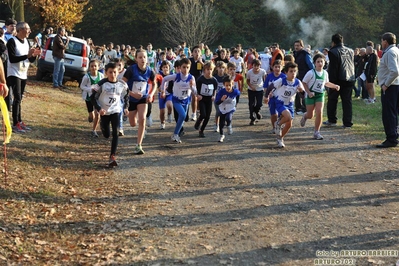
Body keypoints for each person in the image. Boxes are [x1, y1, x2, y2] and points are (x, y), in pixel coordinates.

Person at [91, 62, 129, 167]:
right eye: (110, 72)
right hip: (104, 112)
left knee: (116, 132)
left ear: (118, 72)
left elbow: (126, 96)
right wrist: (99, 109)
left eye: (115, 72)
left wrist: (125, 107)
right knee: (107, 134)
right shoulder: (101, 84)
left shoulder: (122, 84)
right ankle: (102, 127)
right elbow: (92, 97)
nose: (113, 74)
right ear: (106, 73)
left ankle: (112, 156)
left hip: (116, 110)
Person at [6, 22, 41, 133]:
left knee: (20, 98)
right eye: (28, 29)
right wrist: (27, 55)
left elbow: (29, 59)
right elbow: (12, 59)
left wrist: (34, 56)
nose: (30, 31)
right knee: (16, 98)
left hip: (23, 73)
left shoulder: (26, 42)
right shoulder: (12, 41)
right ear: (21, 30)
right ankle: (15, 123)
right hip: (13, 73)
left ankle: (20, 121)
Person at [123, 48, 157, 154]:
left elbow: (155, 84)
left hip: (143, 99)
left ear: (147, 59)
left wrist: (151, 94)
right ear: (136, 59)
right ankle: (134, 120)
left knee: (142, 119)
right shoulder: (131, 70)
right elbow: (122, 85)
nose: (143, 59)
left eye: (144, 57)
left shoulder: (150, 71)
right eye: (140, 57)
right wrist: (132, 94)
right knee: (133, 123)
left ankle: (139, 145)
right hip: (131, 99)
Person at [300, 54, 340, 140]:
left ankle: (317, 132)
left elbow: (326, 83)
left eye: (321, 61)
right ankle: (305, 116)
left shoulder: (325, 73)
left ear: (324, 63)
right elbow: (303, 83)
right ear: (314, 63)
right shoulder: (310, 73)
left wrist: (335, 86)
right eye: (318, 62)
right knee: (310, 115)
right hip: (310, 95)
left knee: (319, 112)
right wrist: (309, 92)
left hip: (320, 95)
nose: (320, 63)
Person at [267, 62, 304, 148]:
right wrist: (266, 96)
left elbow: (303, 96)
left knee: (289, 124)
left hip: (290, 104)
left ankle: (280, 138)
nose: (293, 73)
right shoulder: (282, 80)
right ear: (286, 72)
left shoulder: (298, 82)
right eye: (291, 71)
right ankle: (278, 124)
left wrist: (302, 91)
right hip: (280, 102)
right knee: (288, 117)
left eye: (295, 71)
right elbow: (271, 86)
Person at [160, 58, 196, 143]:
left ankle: (177, 133)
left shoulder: (191, 78)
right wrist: (163, 90)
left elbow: (195, 92)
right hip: (176, 100)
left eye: (187, 67)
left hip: (186, 100)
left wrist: (191, 87)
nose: (185, 69)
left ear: (190, 67)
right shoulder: (176, 76)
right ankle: (175, 134)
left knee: (182, 119)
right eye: (184, 67)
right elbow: (164, 79)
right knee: (183, 115)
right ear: (180, 67)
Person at [324, 33, 355, 128]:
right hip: (350, 78)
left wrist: (330, 83)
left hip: (337, 79)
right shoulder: (351, 51)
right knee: (347, 101)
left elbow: (333, 68)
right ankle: (347, 122)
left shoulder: (333, 52)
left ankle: (332, 119)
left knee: (332, 100)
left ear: (333, 42)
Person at [376, 32, 399, 148]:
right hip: (396, 85)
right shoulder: (396, 50)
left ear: (385, 41)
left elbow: (394, 71)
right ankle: (394, 134)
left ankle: (391, 139)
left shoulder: (390, 52)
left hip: (391, 87)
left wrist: (386, 84)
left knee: (388, 114)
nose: (381, 43)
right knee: (394, 112)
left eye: (382, 41)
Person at [80, 59, 104, 137]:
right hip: (89, 98)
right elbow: (82, 86)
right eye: (92, 66)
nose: (93, 68)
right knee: (92, 115)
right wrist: (90, 89)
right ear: (89, 67)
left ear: (98, 67)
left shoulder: (101, 76)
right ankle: (90, 116)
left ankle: (94, 130)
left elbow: (104, 85)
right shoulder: (86, 77)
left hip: (98, 98)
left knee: (98, 114)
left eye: (95, 66)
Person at [195, 61, 218, 137]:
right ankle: (198, 122)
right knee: (203, 114)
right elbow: (196, 90)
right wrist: (198, 95)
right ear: (204, 70)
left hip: (209, 99)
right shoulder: (200, 79)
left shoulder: (214, 80)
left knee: (207, 116)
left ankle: (201, 130)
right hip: (202, 99)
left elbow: (215, 90)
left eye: (211, 69)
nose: (209, 71)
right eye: (207, 69)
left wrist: (214, 96)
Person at [215, 75, 240, 142]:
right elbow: (217, 102)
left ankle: (229, 125)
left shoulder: (235, 91)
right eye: (226, 85)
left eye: (229, 85)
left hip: (230, 107)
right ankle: (221, 135)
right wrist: (221, 100)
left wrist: (236, 103)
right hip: (222, 107)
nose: (228, 87)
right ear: (224, 85)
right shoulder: (221, 92)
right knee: (221, 123)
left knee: (228, 118)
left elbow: (238, 95)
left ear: (232, 84)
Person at [263, 59, 286, 134]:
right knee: (273, 114)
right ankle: (274, 127)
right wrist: (267, 96)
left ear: (282, 68)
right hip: (272, 98)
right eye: (275, 67)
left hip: (281, 98)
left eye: (279, 67)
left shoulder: (284, 77)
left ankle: (280, 124)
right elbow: (266, 87)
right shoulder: (269, 76)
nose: (277, 69)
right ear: (272, 67)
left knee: (282, 113)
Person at [294, 39, 314, 115]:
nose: (296, 47)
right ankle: (298, 108)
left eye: (298, 45)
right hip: (297, 75)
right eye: (295, 45)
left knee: (304, 92)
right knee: (297, 91)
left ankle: (304, 108)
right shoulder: (294, 53)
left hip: (305, 75)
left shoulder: (305, 54)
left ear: (302, 46)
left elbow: (311, 65)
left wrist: (311, 75)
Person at [246, 59, 266, 125]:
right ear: (252, 66)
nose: (256, 67)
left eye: (258, 66)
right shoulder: (249, 72)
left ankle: (257, 112)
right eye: (255, 66)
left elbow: (265, 79)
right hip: (251, 90)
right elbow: (247, 81)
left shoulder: (262, 71)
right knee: (251, 104)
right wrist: (251, 87)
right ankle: (252, 118)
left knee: (259, 103)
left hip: (260, 89)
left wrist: (265, 87)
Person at [189, 46, 203, 121]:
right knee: (194, 97)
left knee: (199, 98)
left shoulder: (202, 60)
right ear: (192, 53)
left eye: (198, 51)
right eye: (195, 51)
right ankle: (193, 113)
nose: (197, 53)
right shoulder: (189, 60)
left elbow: (207, 69)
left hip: (200, 81)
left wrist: (201, 62)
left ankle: (198, 111)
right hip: (192, 80)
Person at [158, 61, 173, 129]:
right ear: (161, 68)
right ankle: (162, 123)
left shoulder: (172, 76)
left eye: (167, 67)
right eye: (164, 67)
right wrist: (162, 91)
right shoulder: (159, 76)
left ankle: (169, 113)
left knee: (169, 105)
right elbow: (157, 87)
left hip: (169, 94)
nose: (165, 69)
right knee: (162, 111)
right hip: (161, 94)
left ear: (169, 68)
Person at [213, 61, 227, 132]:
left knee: (224, 111)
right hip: (217, 97)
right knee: (218, 111)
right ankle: (217, 125)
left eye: (223, 68)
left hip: (225, 98)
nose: (221, 69)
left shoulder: (226, 77)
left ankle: (223, 123)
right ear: (216, 68)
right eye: (220, 68)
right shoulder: (214, 77)